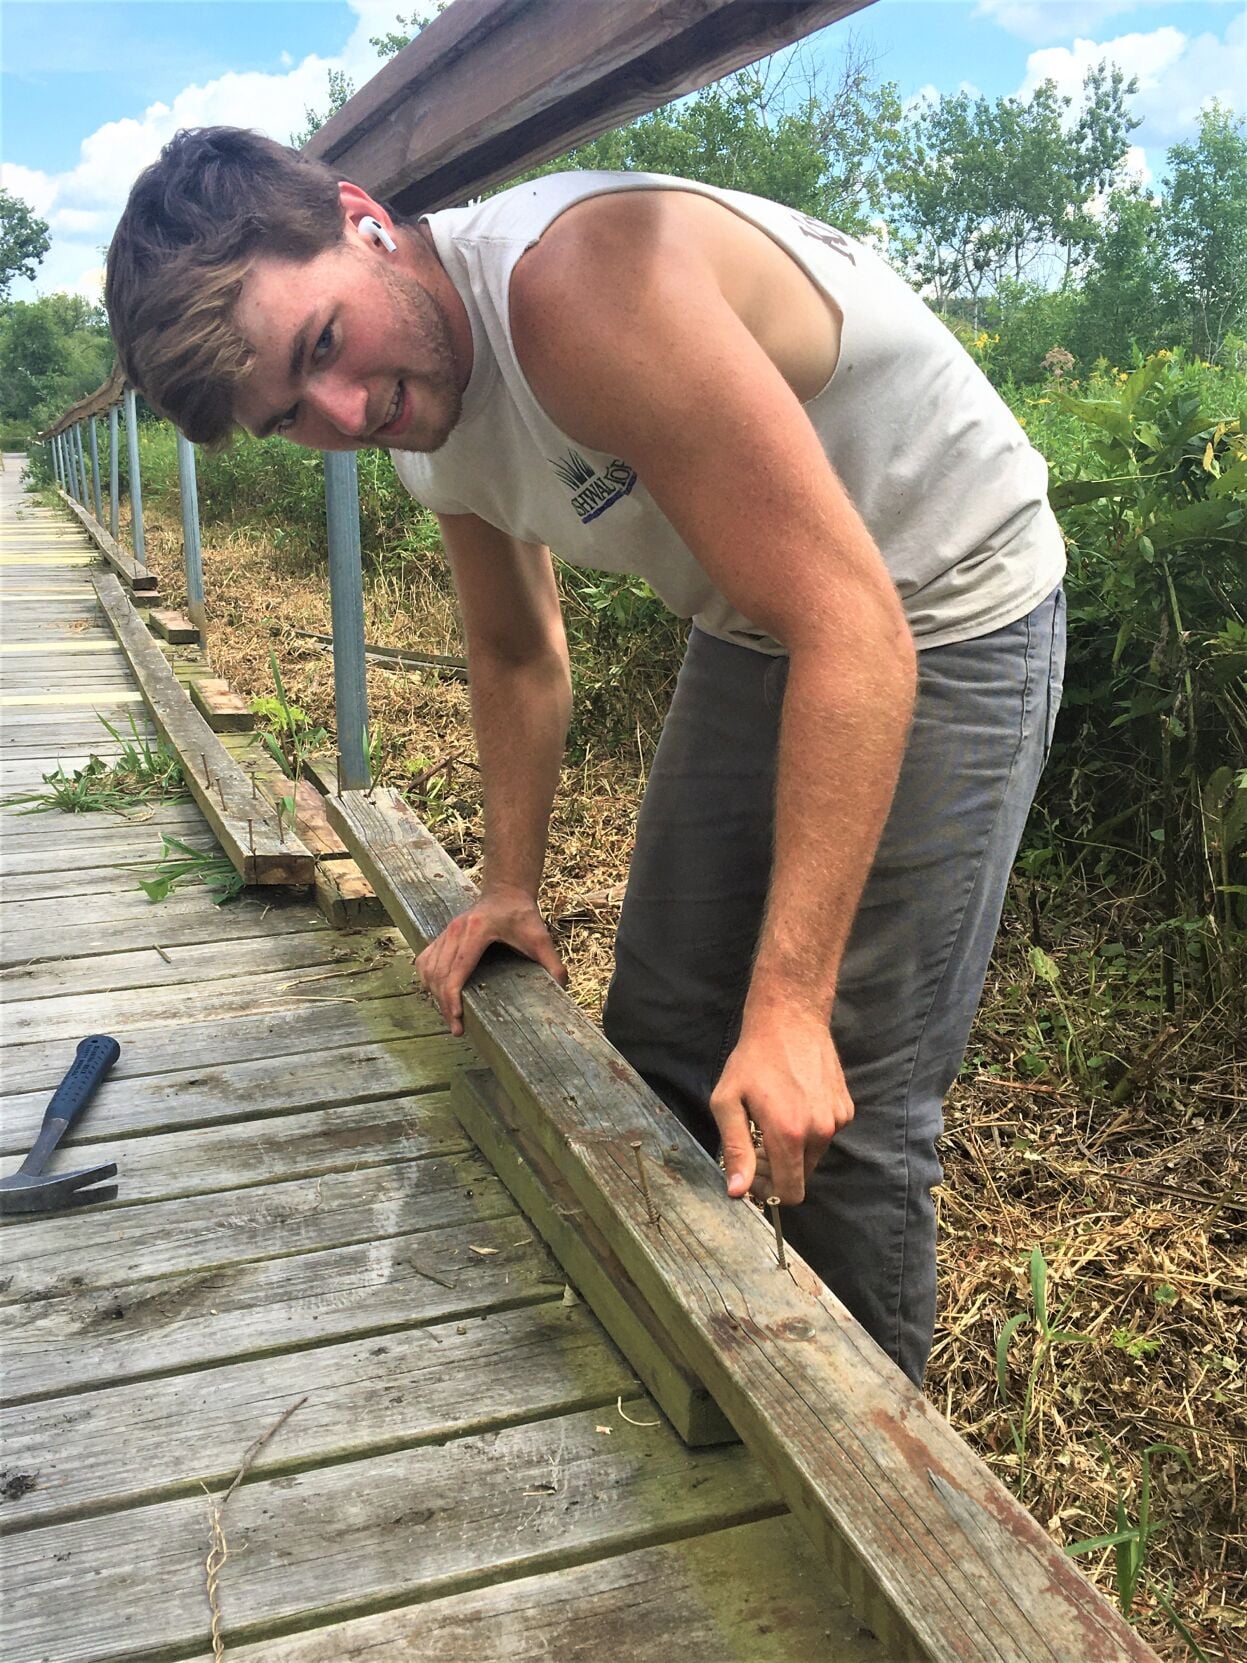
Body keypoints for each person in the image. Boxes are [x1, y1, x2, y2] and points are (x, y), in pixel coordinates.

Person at [106, 127, 1066, 1387]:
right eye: (292, 416)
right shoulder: (410, 416)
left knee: (844, 1099)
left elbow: (858, 630)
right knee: (661, 1036)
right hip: (762, 613)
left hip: (943, 598)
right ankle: (702, 1379)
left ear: (363, 220)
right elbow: (511, 653)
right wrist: (509, 888)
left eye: (324, 346)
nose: (343, 415)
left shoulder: (578, 287)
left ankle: (880, 1501)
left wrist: (785, 1007)